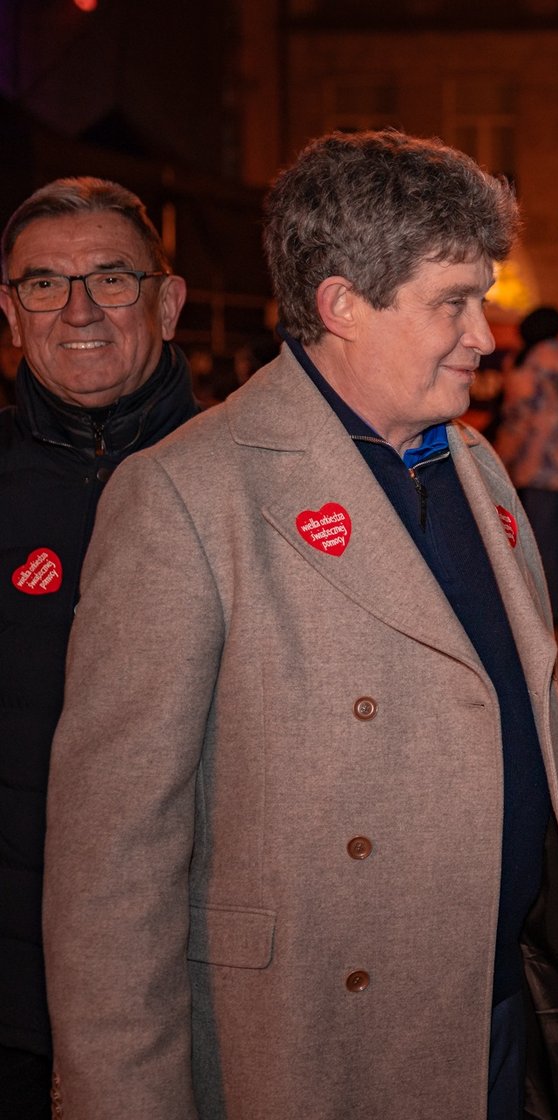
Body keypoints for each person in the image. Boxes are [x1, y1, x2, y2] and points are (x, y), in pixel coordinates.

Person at [42, 131, 558, 1120]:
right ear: (342, 305)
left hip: (500, 1021)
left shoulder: (478, 467)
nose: (483, 336)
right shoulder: (187, 494)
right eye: (453, 302)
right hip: (314, 1048)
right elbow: (112, 871)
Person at [0, 177, 195, 1120]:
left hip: (191, 981)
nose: (78, 310)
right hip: (11, 986)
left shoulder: (245, 477)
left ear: (169, 300)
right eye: (44, 284)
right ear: (10, 312)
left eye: (112, 278)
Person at [496, 305, 558, 626]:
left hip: (538, 466)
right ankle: (556, 606)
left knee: (534, 541)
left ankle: (536, 610)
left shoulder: (526, 365)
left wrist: (500, 459)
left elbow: (519, 418)